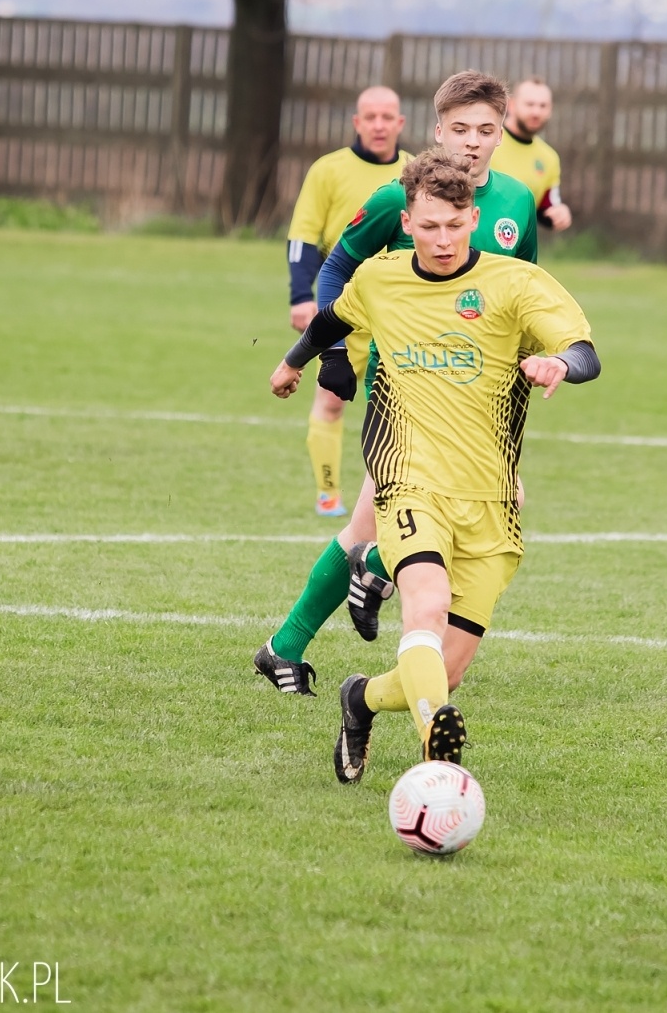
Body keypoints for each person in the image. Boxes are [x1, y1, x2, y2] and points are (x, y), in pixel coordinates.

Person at [267, 149, 600, 778]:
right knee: (423, 605)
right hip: (408, 481)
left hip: (492, 501)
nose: (442, 239)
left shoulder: (515, 283)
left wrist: (560, 365)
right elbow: (332, 318)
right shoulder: (383, 276)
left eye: (453, 224)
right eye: (428, 226)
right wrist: (292, 363)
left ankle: (359, 698)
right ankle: (435, 756)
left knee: (445, 671)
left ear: (472, 218)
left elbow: (583, 349)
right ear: (408, 222)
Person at [252, 70, 541, 697]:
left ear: (501, 136)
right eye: (459, 129)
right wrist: (332, 355)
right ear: (437, 131)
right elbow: (337, 269)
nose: (471, 142)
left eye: (485, 131)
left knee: (366, 527)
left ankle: (286, 645)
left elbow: (526, 297)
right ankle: (368, 584)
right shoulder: (398, 198)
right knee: (394, 519)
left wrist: (537, 361)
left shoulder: (517, 202)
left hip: (481, 398)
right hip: (403, 387)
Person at [285, 86, 410, 517]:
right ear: (357, 123)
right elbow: (303, 237)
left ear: (400, 124)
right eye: (370, 116)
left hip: (401, 310)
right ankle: (329, 494)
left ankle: (397, 492)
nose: (378, 124)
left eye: (386, 116)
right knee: (332, 396)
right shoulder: (328, 170)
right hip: (344, 302)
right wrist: (302, 296)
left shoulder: (416, 172)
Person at [490, 76, 572, 231]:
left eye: (543, 106)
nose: (536, 112)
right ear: (512, 105)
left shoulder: (549, 158)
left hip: (517, 250)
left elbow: (547, 208)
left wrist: (560, 213)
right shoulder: (486, 140)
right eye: (530, 104)